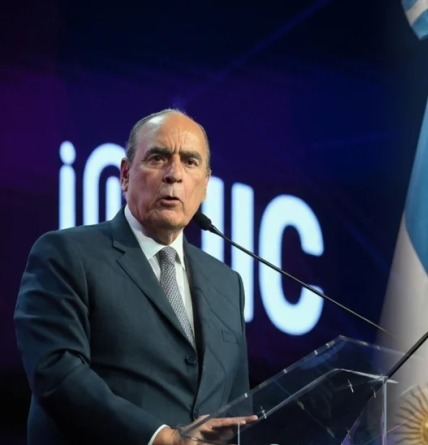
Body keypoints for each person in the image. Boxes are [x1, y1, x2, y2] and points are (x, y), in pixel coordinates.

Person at [14, 109, 256, 445]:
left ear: (205, 186)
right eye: (158, 158)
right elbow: (56, 371)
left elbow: (238, 410)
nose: (174, 175)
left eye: (190, 162)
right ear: (125, 175)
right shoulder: (67, 253)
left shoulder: (228, 283)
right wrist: (160, 438)